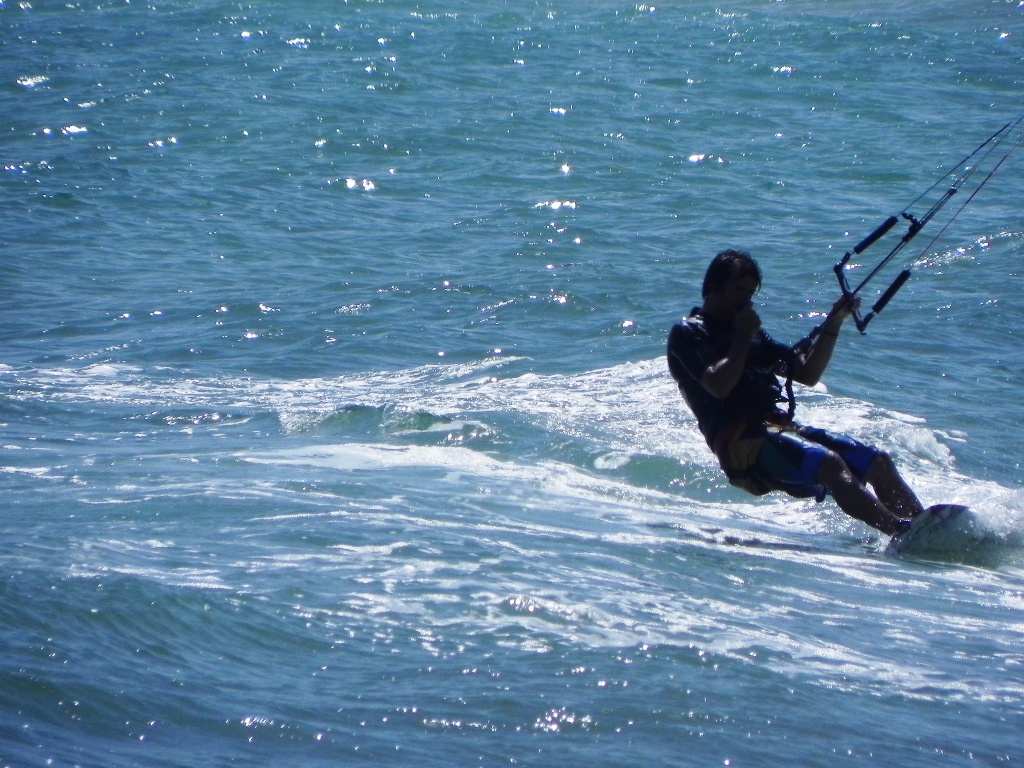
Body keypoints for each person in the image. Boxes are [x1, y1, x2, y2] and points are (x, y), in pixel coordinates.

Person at [667, 249, 924, 536]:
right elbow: (719, 385)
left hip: (774, 426)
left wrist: (834, 322)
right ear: (714, 287)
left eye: (750, 292)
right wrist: (743, 335)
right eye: (738, 290)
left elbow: (806, 373)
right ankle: (901, 532)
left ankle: (925, 526)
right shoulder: (688, 333)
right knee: (829, 464)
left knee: (877, 461)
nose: (746, 300)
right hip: (739, 446)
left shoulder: (750, 334)